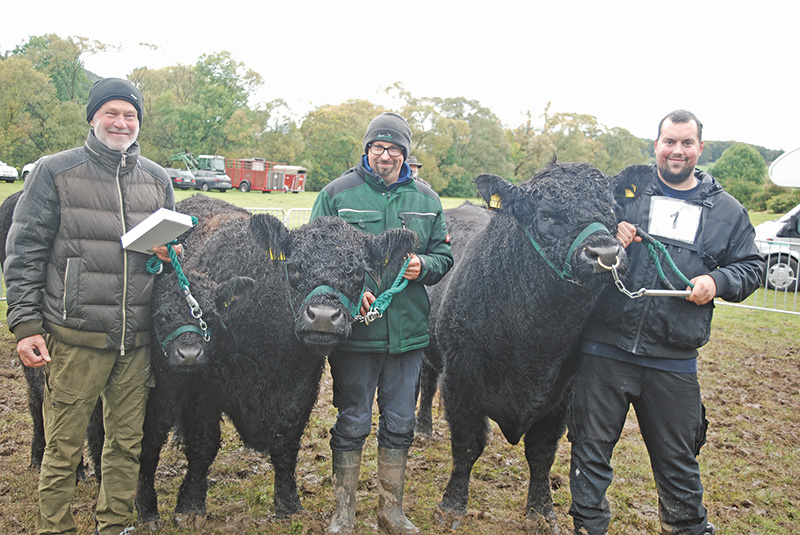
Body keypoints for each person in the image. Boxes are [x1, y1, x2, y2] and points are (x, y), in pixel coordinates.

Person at [567, 110, 764, 535]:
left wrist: (718, 279)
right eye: (669, 142)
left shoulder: (727, 212)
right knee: (589, 449)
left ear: (699, 148)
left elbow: (752, 267)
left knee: (677, 458)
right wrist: (606, 240)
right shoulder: (623, 195)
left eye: (686, 143)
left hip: (673, 356)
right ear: (655, 145)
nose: (677, 151)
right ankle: (588, 526)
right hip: (605, 346)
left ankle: (686, 526)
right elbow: (578, 246)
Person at [4, 77, 179, 535]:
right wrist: (25, 326)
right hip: (76, 335)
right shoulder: (54, 172)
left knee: (126, 444)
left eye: (130, 115)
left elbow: (165, 261)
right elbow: (24, 254)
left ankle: (116, 524)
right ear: (93, 117)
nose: (121, 123)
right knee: (63, 445)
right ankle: (54, 527)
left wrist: (166, 256)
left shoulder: (157, 180)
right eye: (112, 113)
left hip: (137, 339)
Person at [310, 112, 453, 535]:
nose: (385, 155)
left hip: (407, 335)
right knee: (353, 419)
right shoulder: (338, 194)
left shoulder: (427, 201)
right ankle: (344, 514)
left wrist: (422, 264)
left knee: (401, 422)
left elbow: (444, 257)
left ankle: (391, 512)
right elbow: (315, 252)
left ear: (406, 153)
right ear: (366, 149)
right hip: (357, 334)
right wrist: (350, 293)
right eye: (378, 147)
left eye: (394, 149)